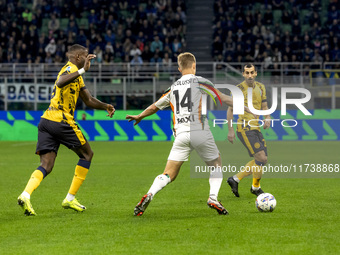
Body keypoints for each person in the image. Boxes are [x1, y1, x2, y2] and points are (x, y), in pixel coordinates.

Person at [126, 52, 249, 216]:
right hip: (200, 131)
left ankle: (150, 193)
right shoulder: (200, 81)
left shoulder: (173, 87)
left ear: (179, 68)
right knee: (216, 164)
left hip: (181, 134)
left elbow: (155, 106)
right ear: (194, 66)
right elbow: (223, 98)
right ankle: (213, 197)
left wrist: (140, 115)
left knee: (169, 173)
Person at [17, 44, 115, 216]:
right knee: (87, 154)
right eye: (85, 56)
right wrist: (83, 70)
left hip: (47, 120)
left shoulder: (75, 75)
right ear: (78, 57)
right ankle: (70, 198)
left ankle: (25, 195)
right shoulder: (70, 69)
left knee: (46, 165)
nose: (88, 59)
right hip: (61, 119)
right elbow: (61, 82)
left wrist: (105, 106)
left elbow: (88, 99)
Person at [226, 63, 271, 197]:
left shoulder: (261, 87)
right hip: (244, 127)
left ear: (256, 73)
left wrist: (267, 117)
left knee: (263, 160)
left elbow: (265, 106)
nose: (250, 75)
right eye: (247, 73)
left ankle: (236, 180)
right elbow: (230, 109)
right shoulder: (238, 89)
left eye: (252, 72)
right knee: (261, 157)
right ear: (243, 74)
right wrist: (230, 130)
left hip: (256, 127)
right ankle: (255, 187)